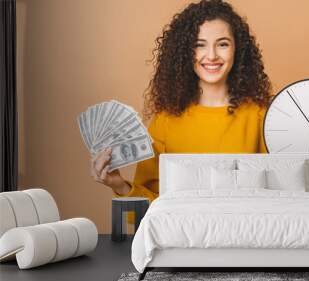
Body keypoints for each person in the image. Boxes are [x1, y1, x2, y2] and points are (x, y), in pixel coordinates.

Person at [90, 0, 272, 202]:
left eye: (222, 44)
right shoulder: (165, 122)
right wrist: (120, 185)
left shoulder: (260, 116)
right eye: (199, 45)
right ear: (185, 52)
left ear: (238, 50)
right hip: (181, 233)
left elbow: (280, 193)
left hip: (244, 230)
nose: (211, 55)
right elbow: (154, 207)